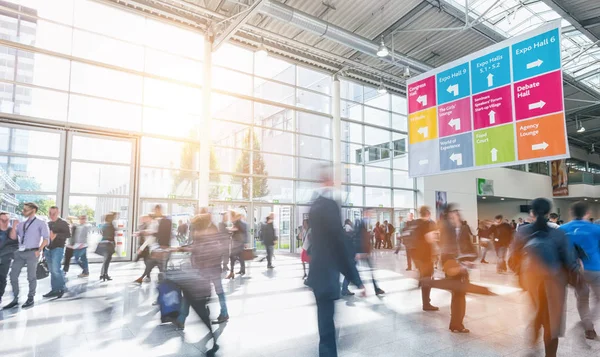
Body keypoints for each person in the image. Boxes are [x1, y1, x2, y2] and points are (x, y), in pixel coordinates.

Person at [509, 198, 580, 357]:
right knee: (552, 321)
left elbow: (512, 260)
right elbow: (569, 262)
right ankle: (550, 354)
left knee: (537, 310)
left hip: (532, 281)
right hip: (555, 283)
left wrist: (523, 275)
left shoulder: (522, 232)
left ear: (532, 213)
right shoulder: (558, 233)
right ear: (549, 214)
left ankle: (533, 339)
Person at [307, 166, 365, 357]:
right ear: (329, 182)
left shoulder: (314, 205)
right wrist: (356, 280)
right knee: (327, 322)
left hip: (316, 274)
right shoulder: (330, 206)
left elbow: (318, 241)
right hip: (327, 274)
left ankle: (326, 351)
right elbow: (338, 244)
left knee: (324, 319)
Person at [167, 210, 220, 356]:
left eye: (193, 227)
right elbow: (195, 248)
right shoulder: (200, 236)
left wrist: (185, 248)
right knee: (188, 299)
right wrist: (181, 248)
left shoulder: (205, 237)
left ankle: (214, 341)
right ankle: (181, 319)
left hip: (200, 281)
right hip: (195, 279)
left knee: (201, 312)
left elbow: (201, 250)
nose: (192, 229)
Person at [560, 201, 600, 340]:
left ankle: (588, 327)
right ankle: (588, 322)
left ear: (571, 213)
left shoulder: (562, 229)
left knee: (582, 300)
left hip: (574, 271)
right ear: (587, 213)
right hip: (595, 269)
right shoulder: (596, 229)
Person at [438, 205, 476, 333]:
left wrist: (469, 260)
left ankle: (456, 323)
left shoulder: (465, 230)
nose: (453, 219)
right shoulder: (447, 232)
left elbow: (472, 250)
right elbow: (443, 251)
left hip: (463, 268)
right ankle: (456, 324)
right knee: (457, 295)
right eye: (450, 217)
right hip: (452, 268)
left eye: (455, 216)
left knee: (459, 295)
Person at [5, 202, 50, 309]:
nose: (23, 212)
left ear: (33, 210)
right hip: (19, 253)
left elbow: (46, 239)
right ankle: (15, 298)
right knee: (13, 275)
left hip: (32, 252)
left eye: (25, 210)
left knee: (31, 277)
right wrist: (15, 226)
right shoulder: (22, 223)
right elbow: (13, 237)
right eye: (23, 210)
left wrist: (39, 250)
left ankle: (30, 298)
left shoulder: (41, 223)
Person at [342, 217, 385, 296]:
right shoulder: (360, 229)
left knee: (352, 271)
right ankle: (345, 288)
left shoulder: (357, 229)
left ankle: (375, 288)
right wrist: (360, 252)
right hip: (360, 253)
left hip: (360, 253)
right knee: (352, 271)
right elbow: (360, 241)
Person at [412, 206, 439, 311]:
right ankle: (426, 304)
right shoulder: (426, 224)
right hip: (425, 256)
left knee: (425, 277)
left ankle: (426, 300)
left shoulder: (415, 223)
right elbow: (430, 239)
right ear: (428, 214)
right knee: (427, 279)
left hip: (417, 256)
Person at [43, 206, 70, 299]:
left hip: (58, 249)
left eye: (54, 213)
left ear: (58, 213)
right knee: (52, 271)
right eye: (50, 213)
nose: (52, 215)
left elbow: (68, 234)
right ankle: (55, 289)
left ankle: (61, 288)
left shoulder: (63, 223)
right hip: (48, 249)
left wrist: (56, 235)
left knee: (55, 269)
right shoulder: (48, 223)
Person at [0, 212, 17, 305]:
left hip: (5, 259)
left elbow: (15, 246)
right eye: (2, 220)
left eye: (6, 220)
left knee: (2, 278)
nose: (4, 222)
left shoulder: (12, 231)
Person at [226, 211, 247, 279]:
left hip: (237, 243)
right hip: (238, 242)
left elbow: (236, 229)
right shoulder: (237, 222)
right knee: (240, 257)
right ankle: (242, 270)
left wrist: (228, 229)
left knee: (232, 257)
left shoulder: (238, 222)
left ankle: (232, 272)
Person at [99, 212, 117, 282]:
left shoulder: (104, 225)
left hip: (104, 243)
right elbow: (112, 235)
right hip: (109, 243)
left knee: (105, 259)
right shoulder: (111, 225)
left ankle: (103, 274)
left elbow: (102, 233)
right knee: (107, 260)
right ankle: (105, 274)